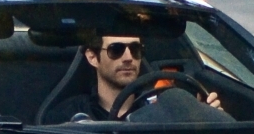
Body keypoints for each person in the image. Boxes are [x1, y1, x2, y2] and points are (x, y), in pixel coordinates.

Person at [41, 30, 221, 122]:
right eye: (116, 50)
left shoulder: (166, 108)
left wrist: (206, 117)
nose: (128, 58)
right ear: (92, 57)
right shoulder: (68, 114)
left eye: (135, 49)